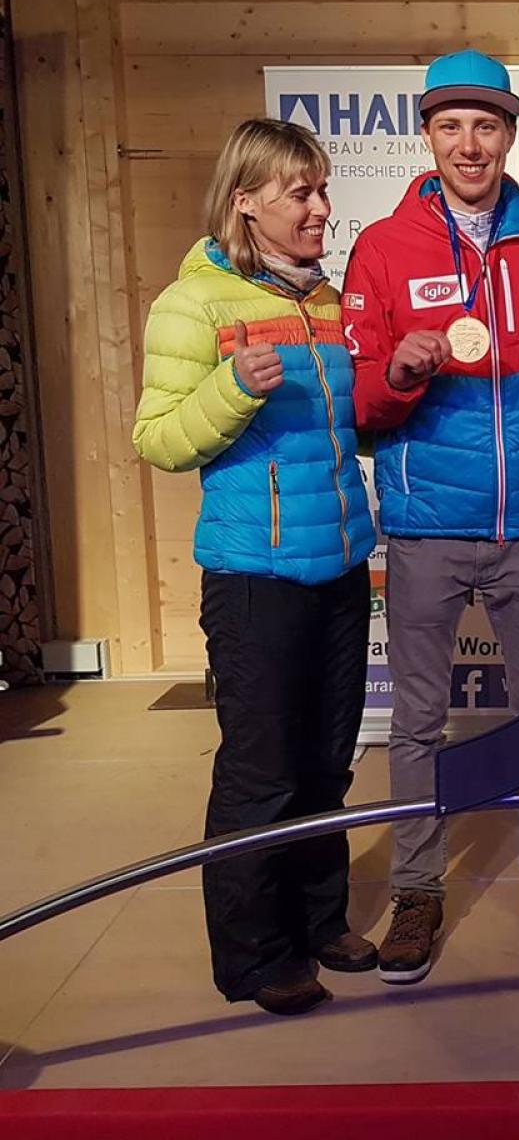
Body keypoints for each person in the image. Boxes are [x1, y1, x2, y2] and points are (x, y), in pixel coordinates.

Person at [343, 50, 519, 984]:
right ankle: (418, 892)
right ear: (429, 136)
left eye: (486, 126)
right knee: (416, 721)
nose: (469, 143)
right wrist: (400, 373)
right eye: (451, 125)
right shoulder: (383, 246)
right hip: (425, 525)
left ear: (510, 135)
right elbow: (362, 405)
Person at [132, 118, 377, 1016]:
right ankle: (251, 953)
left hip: (341, 566)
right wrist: (233, 387)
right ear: (246, 202)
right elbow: (156, 439)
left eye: (321, 189)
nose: (320, 208)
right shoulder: (191, 304)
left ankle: (320, 921)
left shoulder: (329, 301)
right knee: (260, 772)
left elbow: (353, 427)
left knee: (326, 763)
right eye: (299, 193)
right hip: (252, 578)